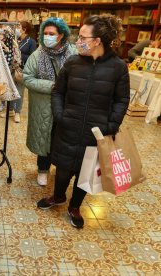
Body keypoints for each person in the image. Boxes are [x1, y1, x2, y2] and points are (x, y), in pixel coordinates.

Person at [37, 14, 130, 228]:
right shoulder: (72, 62)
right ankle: (58, 196)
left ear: (97, 41)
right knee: (62, 168)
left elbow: (122, 99)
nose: (78, 41)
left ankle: (75, 206)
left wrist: (111, 126)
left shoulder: (118, 67)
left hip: (97, 132)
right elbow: (57, 92)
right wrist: (60, 115)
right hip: (68, 126)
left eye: (83, 37)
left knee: (85, 173)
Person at [23, 17, 76, 186]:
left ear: (61, 35)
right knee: (45, 137)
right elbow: (27, 78)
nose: (47, 36)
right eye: (45, 33)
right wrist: (53, 86)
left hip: (68, 105)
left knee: (63, 138)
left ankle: (61, 170)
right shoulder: (37, 55)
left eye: (51, 33)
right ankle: (43, 170)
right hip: (44, 105)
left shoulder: (74, 54)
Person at [0, 21, 37, 123]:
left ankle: (17, 112)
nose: (17, 29)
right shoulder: (15, 39)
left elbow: (32, 57)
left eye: (19, 27)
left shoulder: (31, 42)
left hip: (22, 70)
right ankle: (10, 110)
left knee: (19, 91)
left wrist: (18, 53)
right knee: (11, 90)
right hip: (11, 68)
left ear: (24, 29)